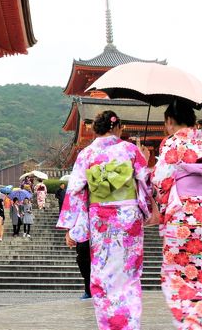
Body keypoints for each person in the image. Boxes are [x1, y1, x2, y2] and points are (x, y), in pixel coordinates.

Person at [57, 110, 151, 330]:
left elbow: (76, 192)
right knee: (129, 275)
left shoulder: (86, 155)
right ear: (117, 127)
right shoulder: (130, 149)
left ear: (94, 130)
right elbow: (146, 182)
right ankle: (129, 325)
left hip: (100, 219)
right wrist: (145, 210)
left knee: (102, 273)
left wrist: (74, 228)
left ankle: (109, 325)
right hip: (128, 220)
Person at [151, 98, 202, 330]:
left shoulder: (171, 143)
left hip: (183, 215)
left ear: (170, 120)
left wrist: (148, 166)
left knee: (178, 272)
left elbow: (160, 181)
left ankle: (191, 324)